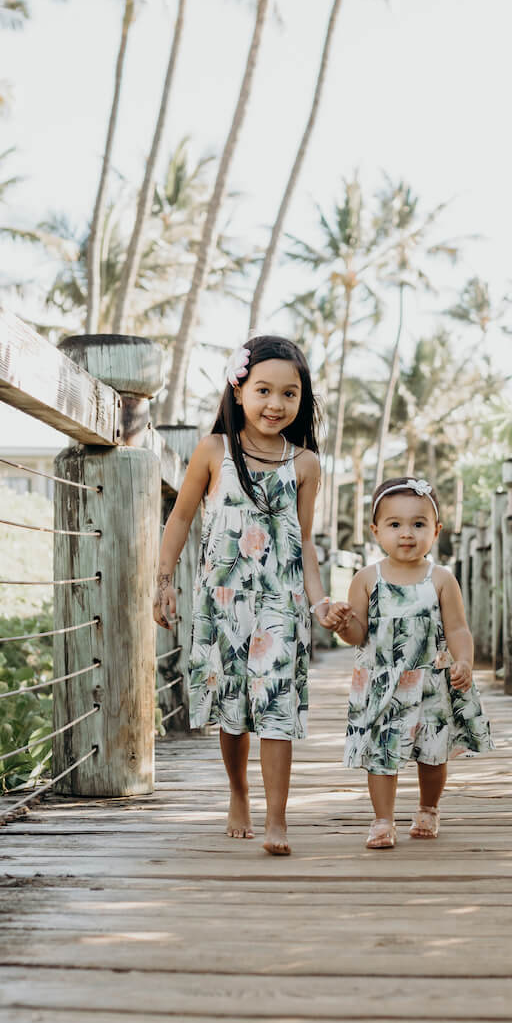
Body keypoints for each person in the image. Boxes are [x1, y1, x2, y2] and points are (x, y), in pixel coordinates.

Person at [154, 335, 347, 856]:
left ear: (301, 401)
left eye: (290, 394)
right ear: (239, 390)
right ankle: (238, 792)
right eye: (264, 390)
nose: (276, 404)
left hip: (280, 607)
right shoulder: (213, 450)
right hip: (222, 603)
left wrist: (319, 600)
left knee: (277, 709)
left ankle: (277, 819)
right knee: (234, 708)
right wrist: (163, 580)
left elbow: (304, 541)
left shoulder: (304, 463)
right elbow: (180, 518)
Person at [333, 477, 492, 849]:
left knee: (433, 754)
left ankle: (428, 807)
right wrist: (344, 626)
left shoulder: (440, 579)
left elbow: (457, 628)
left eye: (418, 524)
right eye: (395, 524)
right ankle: (383, 820)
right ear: (376, 531)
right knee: (381, 753)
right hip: (382, 683)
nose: (407, 533)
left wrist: (464, 661)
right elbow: (358, 634)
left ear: (436, 531)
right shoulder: (366, 579)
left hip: (431, 682)